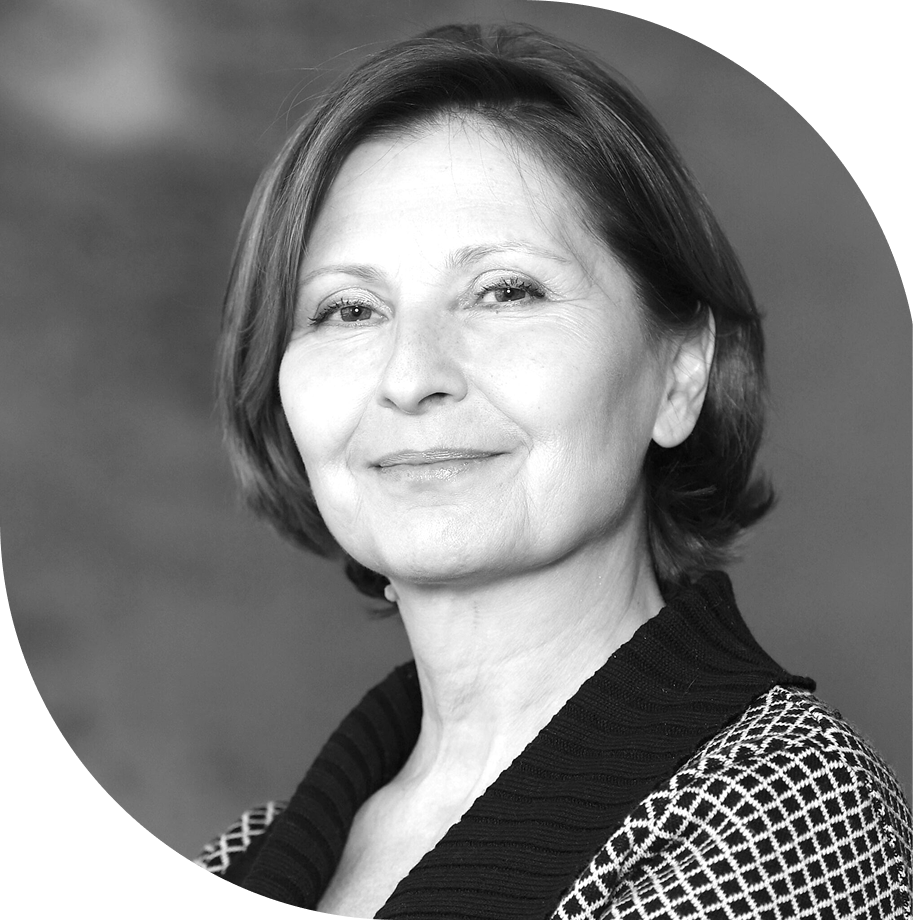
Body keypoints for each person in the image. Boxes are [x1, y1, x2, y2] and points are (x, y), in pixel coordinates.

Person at [193, 22, 912, 919]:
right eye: (347, 309)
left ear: (678, 374)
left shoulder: (780, 815)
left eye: (506, 291)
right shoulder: (246, 855)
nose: (412, 377)